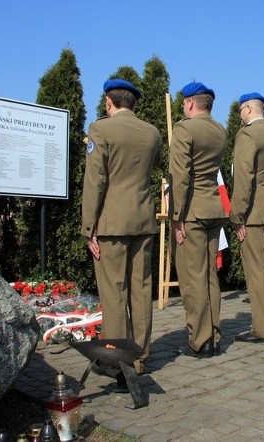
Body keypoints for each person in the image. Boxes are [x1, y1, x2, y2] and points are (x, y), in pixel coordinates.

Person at [81, 78, 161, 375]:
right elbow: (154, 166)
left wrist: (88, 227)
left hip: (111, 223)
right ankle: (139, 357)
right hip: (143, 221)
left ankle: (116, 360)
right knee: (141, 290)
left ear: (108, 102)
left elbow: (95, 181)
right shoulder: (152, 133)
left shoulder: (100, 129)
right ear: (134, 103)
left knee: (114, 291)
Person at [169, 81, 227, 358]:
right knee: (209, 277)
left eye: (184, 103)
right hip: (213, 208)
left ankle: (200, 340)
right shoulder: (219, 130)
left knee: (193, 279)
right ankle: (214, 336)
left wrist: (176, 217)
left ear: (190, 103)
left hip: (191, 211)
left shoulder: (184, 128)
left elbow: (180, 175)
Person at [230, 92, 264, 344]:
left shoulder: (247, 135)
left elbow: (244, 179)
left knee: (256, 272)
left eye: (241, 109)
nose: (239, 114)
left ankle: (263, 329)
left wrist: (237, 216)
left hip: (253, 212)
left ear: (249, 108)